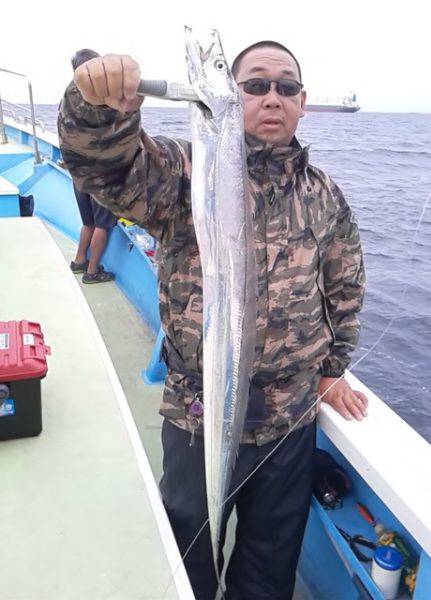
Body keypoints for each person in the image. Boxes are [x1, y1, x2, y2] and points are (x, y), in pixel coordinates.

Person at [58, 41, 367, 600]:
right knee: (189, 557)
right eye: (254, 85)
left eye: (286, 87)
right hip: (197, 412)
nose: (272, 97)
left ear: (302, 102)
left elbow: (345, 286)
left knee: (267, 572)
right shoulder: (184, 170)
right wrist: (97, 107)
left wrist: (332, 367)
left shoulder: (324, 196)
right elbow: (105, 168)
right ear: (229, 97)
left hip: (289, 425)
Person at [68, 49, 116, 284]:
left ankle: (79, 261)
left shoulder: (69, 99)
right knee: (102, 225)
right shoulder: (103, 99)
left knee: (88, 222)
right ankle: (92, 271)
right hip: (99, 177)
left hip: (78, 174)